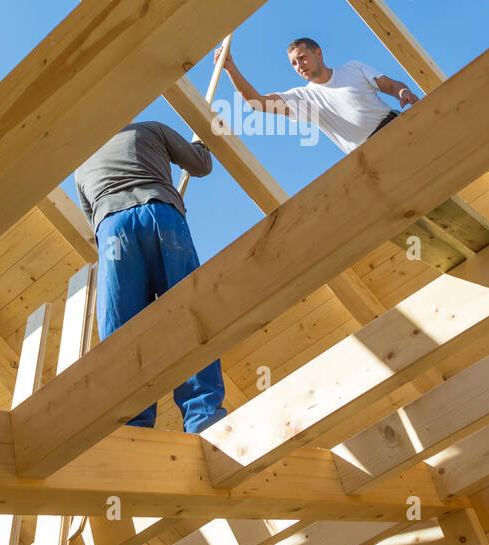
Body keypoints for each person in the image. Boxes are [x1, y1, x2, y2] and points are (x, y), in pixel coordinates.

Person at [74, 121, 228, 434]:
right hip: (161, 215)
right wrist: (202, 144)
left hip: (113, 233)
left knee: (123, 332)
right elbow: (200, 166)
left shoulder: (80, 167)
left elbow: (94, 224)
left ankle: (135, 428)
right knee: (188, 315)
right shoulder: (149, 130)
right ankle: (204, 418)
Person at [215, 37, 419, 154]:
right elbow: (257, 103)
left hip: (397, 129)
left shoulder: (353, 68)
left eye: (302, 58)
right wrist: (230, 68)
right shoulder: (303, 98)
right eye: (294, 63)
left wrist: (404, 92)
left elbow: (391, 85)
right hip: (370, 154)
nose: (299, 66)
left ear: (318, 53)